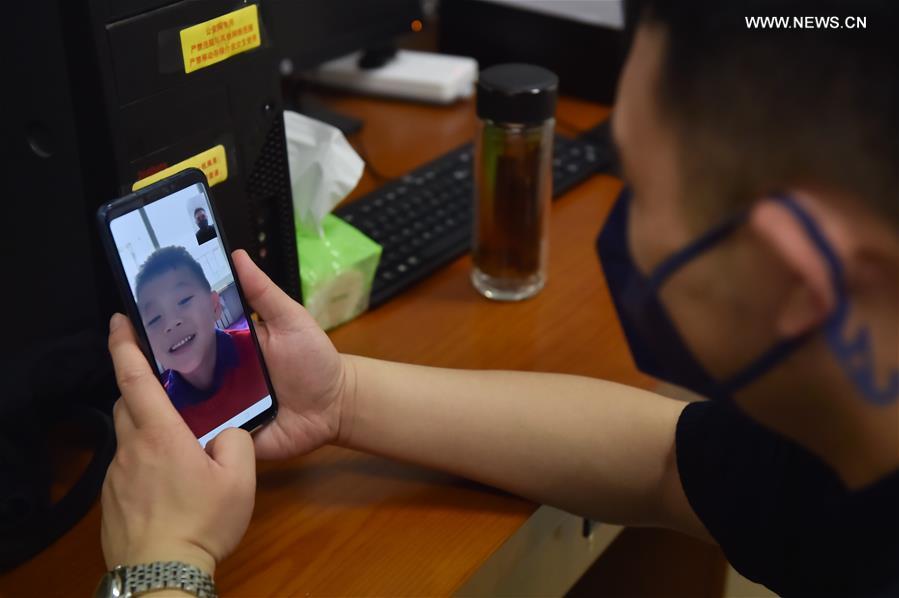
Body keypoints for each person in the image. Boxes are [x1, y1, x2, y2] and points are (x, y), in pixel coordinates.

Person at [100, 1, 898, 596]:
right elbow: (667, 462)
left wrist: (161, 560)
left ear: (798, 275)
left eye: (640, 187)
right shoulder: (852, 453)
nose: (624, 229)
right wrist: (341, 396)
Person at [134, 246, 268, 437]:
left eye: (183, 300)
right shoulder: (162, 412)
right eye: (154, 318)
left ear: (214, 305)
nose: (170, 323)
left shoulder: (260, 352)